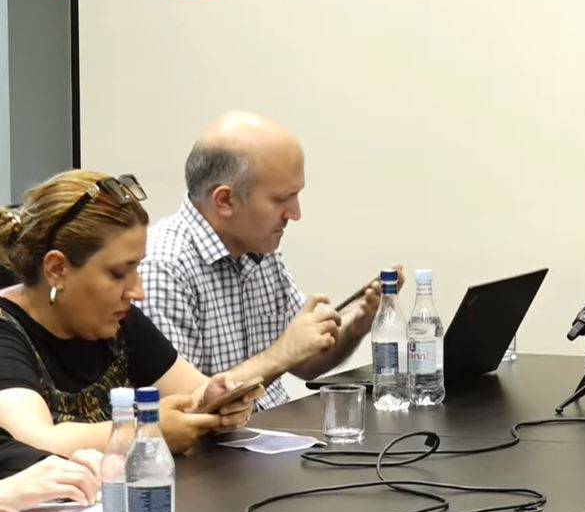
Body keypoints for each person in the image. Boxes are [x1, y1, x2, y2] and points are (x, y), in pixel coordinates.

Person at [139, 111, 396, 409]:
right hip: (217, 440)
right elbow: (182, 410)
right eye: (281, 199)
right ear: (225, 200)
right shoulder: (162, 269)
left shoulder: (260, 249)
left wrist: (358, 323)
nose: (295, 214)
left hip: (273, 428)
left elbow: (304, 361)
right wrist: (280, 354)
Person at [0, 171, 261, 457]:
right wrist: (146, 431)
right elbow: (33, 442)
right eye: (118, 273)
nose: (137, 292)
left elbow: (192, 392)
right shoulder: (5, 332)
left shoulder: (118, 320)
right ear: (57, 270)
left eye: (136, 269)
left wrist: (214, 399)